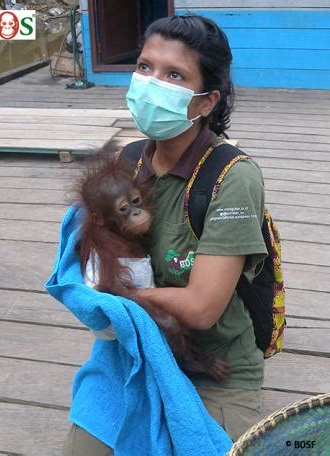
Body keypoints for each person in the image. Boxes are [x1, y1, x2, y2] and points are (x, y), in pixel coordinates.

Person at [61, 14, 268, 455]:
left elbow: (199, 308)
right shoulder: (128, 163)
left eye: (174, 74)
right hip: (137, 353)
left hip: (214, 372)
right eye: (144, 67)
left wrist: (110, 297)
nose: (152, 83)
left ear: (205, 101)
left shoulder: (231, 177)